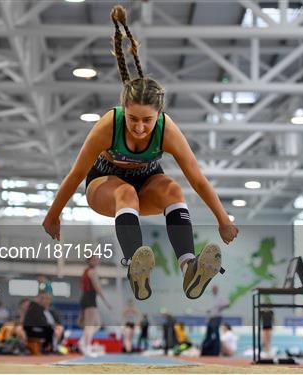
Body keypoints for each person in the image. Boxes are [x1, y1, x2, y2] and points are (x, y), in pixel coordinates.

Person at [42, 5, 238, 302]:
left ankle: (188, 265)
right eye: (134, 119)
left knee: (173, 188)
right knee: (126, 194)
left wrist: (223, 219)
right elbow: (77, 173)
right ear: (124, 110)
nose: (140, 127)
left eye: (147, 120)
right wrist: (54, 214)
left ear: (159, 114)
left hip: (147, 185)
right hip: (103, 186)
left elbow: (197, 179)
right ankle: (136, 265)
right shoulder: (109, 124)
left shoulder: (166, 129)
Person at [78, 256, 111, 356]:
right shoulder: (92, 272)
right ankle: (87, 346)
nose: (96, 261)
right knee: (90, 325)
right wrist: (106, 302)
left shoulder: (86, 271)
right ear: (89, 261)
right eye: (94, 260)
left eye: (97, 260)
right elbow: (97, 288)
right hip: (89, 298)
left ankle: (83, 341)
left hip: (88, 298)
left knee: (97, 324)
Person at [201, 285, 229, 356]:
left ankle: (216, 352)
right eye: (213, 289)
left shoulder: (220, 297)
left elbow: (227, 304)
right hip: (211, 318)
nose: (214, 290)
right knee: (208, 335)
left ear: (217, 290)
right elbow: (210, 310)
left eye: (215, 289)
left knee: (216, 334)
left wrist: (221, 307)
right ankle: (206, 351)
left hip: (217, 318)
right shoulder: (211, 299)